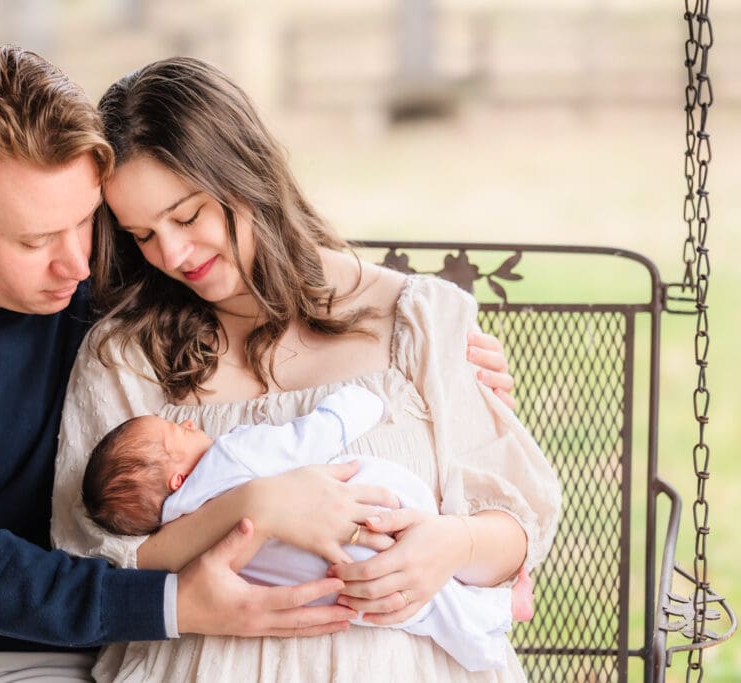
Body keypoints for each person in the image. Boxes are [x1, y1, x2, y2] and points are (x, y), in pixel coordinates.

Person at [49, 56, 561, 682]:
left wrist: (455, 544)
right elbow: (91, 567)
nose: (173, 254)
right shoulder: (126, 355)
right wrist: (253, 507)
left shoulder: (419, 320)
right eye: (143, 235)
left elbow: (519, 522)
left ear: (244, 173)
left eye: (186, 216)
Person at [81, 384, 536, 672]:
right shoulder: (230, 456)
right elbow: (306, 440)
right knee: (408, 589)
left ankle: (488, 620)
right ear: (178, 480)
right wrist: (357, 405)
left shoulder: (182, 534)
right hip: (357, 524)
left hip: (314, 588)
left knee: (415, 608)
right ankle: (491, 619)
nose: (186, 422)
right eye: (173, 432)